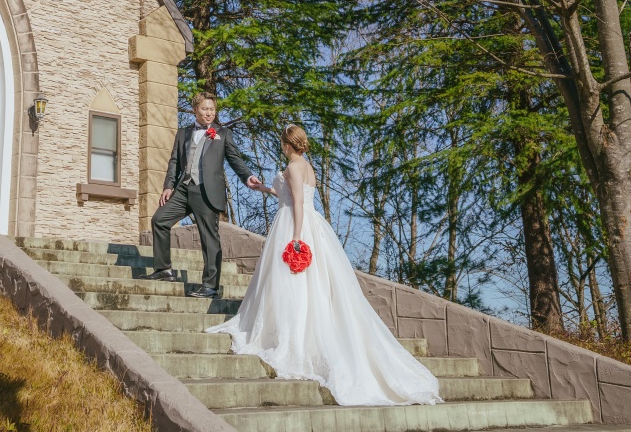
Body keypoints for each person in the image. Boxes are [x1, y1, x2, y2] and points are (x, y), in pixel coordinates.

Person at [208, 124, 442, 406]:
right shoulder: (307, 166)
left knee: (291, 284)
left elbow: (297, 203)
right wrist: (265, 189)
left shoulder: (294, 167)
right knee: (304, 285)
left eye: (282, 142)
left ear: (287, 144)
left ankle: (292, 338)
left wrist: (295, 238)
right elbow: (290, 195)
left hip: (295, 225)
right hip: (310, 223)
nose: (281, 145)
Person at [150, 93, 262, 297]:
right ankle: (163, 269)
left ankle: (210, 286)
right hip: (183, 188)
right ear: (195, 109)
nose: (209, 113)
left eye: (212, 109)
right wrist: (168, 186)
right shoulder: (183, 133)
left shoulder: (223, 134)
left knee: (209, 238)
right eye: (205, 109)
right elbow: (174, 161)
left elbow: (235, 159)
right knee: (159, 220)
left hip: (206, 191)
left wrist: (247, 177)